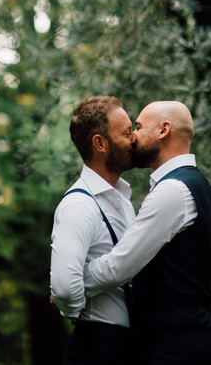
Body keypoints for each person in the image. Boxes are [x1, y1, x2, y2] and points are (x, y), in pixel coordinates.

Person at [84, 100, 211, 365]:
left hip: (176, 350)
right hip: (189, 344)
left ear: (163, 130)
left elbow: (119, 266)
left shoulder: (172, 191)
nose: (132, 136)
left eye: (137, 127)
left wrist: (68, 286)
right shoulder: (196, 186)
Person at [50, 95, 136, 365]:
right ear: (100, 144)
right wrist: (76, 312)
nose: (134, 138)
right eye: (127, 132)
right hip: (98, 346)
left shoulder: (122, 198)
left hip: (124, 345)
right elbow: (63, 288)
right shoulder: (78, 205)